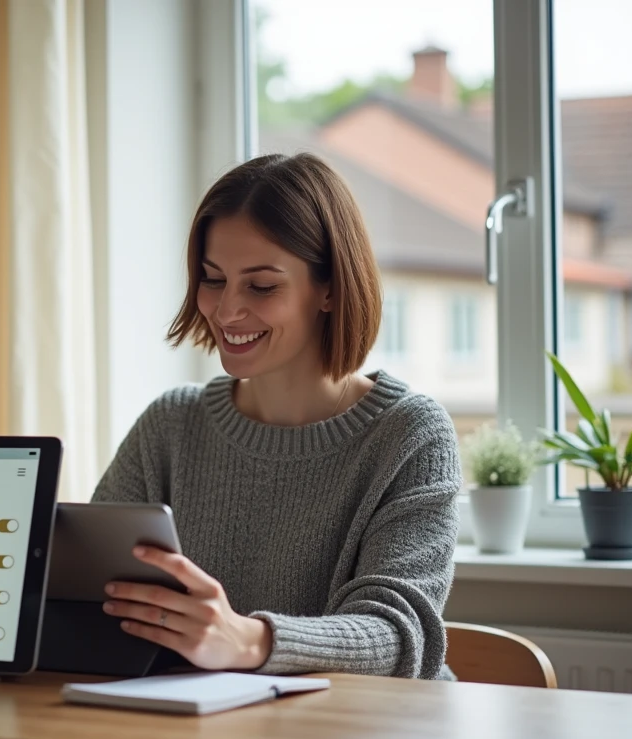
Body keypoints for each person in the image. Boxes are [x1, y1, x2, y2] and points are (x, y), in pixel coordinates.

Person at [93, 152, 461, 680]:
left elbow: (401, 638)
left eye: (261, 286)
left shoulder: (410, 434)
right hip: (201, 732)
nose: (225, 311)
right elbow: (92, 595)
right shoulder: (170, 425)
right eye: (212, 279)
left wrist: (248, 641)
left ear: (330, 288)